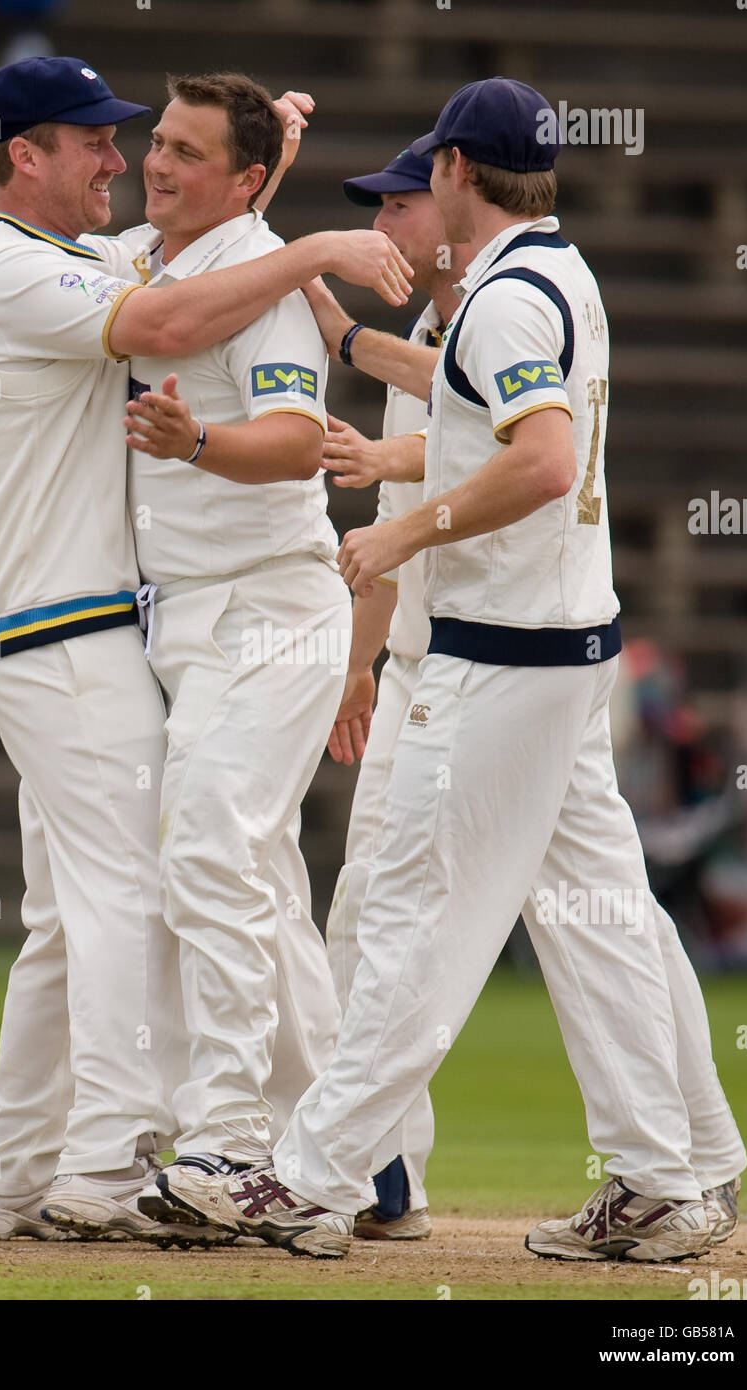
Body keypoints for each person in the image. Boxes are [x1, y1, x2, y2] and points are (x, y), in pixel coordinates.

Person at [148, 77, 746, 1261]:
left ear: (461, 174)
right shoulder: (553, 276)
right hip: (566, 652)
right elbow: (476, 410)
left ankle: (312, 1182)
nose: (419, 191)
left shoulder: (505, 299)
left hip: (497, 661)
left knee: (412, 923)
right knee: (600, 922)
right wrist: (339, 328)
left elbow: (537, 461)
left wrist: (402, 526)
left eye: (431, 173)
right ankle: (666, 1175)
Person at [0, 55, 411, 1242]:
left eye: (155, 143)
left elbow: (219, 296)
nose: (129, 157)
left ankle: (26, 1173)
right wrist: (305, 246)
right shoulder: (18, 265)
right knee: (163, 881)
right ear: (22, 154)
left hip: (193, 613)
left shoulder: (101, 254)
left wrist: (269, 194)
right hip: (66, 622)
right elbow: (164, 310)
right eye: (100, 140)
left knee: (140, 885)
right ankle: (125, 1169)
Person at [117, 73, 354, 1211]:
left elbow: (298, 440)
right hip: (189, 619)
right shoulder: (149, 256)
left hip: (276, 608)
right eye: (155, 142)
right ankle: (362, 1153)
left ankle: (227, 1143)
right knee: (252, 873)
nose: (156, 165)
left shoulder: (263, 294)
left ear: (245, 181)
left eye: (186, 154)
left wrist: (197, 439)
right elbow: (218, 232)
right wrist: (271, 154)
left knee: (210, 842)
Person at [321, 146, 470, 1241]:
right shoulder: (423, 335)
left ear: (456, 198)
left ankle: (368, 1172)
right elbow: (385, 543)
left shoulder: (509, 308)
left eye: (398, 203)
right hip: (429, 663)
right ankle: (383, 1176)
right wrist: (360, 663)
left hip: (490, 674)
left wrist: (334, 326)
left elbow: (474, 423)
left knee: (380, 919)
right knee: (368, 917)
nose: (385, 224)